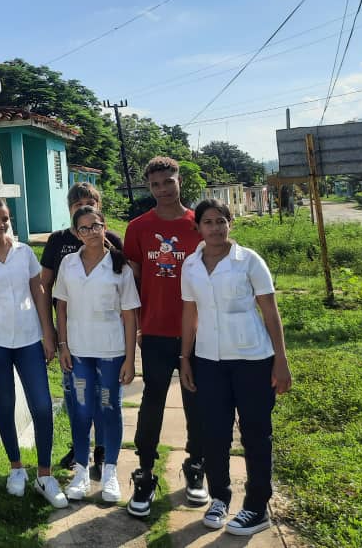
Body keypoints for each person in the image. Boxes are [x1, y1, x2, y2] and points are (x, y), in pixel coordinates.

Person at [179, 199, 292, 536]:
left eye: (221, 221)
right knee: (214, 432)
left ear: (230, 223)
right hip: (209, 360)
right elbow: (190, 313)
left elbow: (270, 312)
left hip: (252, 360)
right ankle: (219, 497)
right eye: (208, 222)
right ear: (197, 227)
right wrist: (185, 358)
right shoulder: (191, 265)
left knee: (256, 432)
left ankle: (257, 506)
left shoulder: (249, 261)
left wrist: (281, 360)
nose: (215, 228)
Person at [0, 198, 67, 508]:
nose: (1, 224)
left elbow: (38, 291)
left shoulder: (23, 253)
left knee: (42, 405)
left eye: (5, 218)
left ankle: (45, 475)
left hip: (29, 338)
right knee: (5, 405)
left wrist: (49, 334)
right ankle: (16, 468)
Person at [123, 157, 205, 517]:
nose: (162, 189)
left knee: (196, 402)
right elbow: (132, 280)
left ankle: (196, 466)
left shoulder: (199, 224)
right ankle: (145, 471)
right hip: (155, 330)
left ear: (179, 181)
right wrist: (137, 326)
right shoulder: (138, 228)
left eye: (168, 182)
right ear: (149, 187)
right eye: (155, 184)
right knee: (153, 401)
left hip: (198, 332)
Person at [52, 206, 139, 504]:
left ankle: (111, 472)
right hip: (78, 351)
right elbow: (60, 307)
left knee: (109, 407)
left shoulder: (119, 266)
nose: (91, 232)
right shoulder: (68, 263)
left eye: (96, 226)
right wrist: (62, 345)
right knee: (81, 410)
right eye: (84, 228)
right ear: (77, 233)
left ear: (104, 228)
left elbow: (130, 316)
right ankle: (80, 472)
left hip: (111, 351)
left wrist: (130, 358)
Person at [39, 182, 124, 475]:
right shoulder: (58, 241)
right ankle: (80, 449)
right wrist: (49, 332)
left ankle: (102, 453)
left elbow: (127, 283)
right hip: (72, 336)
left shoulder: (112, 240)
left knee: (105, 399)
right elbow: (45, 286)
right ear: (71, 212)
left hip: (106, 338)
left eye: (89, 203)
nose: (83, 208)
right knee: (77, 397)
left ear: (99, 209)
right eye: (77, 205)